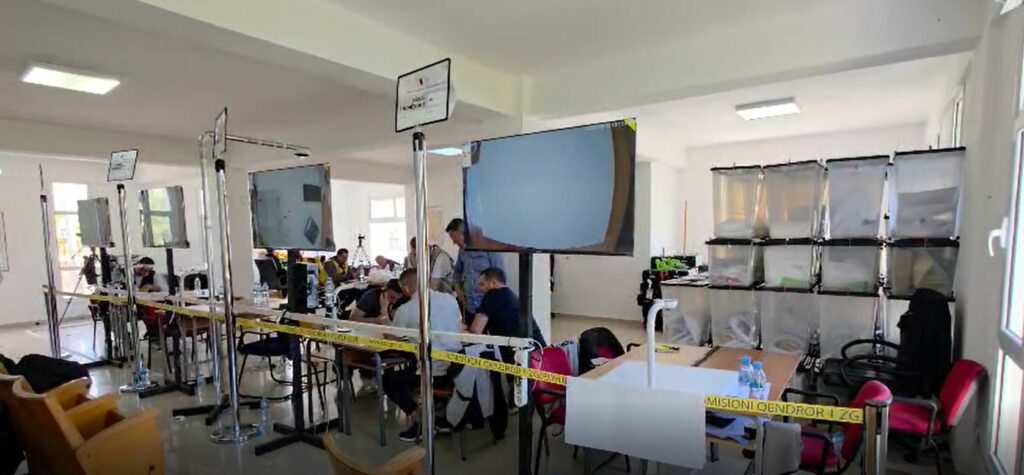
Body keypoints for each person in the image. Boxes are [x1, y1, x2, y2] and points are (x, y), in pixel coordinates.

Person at [383, 268, 463, 442]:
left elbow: (392, 338)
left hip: (431, 373)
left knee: (389, 381)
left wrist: (384, 313)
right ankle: (439, 417)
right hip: (458, 368)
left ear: (405, 287)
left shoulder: (406, 309)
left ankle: (420, 421)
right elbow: (459, 326)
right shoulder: (450, 299)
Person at [468, 267, 547, 363]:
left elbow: (476, 330)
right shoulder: (512, 296)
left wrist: (460, 331)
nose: (479, 289)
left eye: (482, 284)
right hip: (540, 355)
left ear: (493, 283)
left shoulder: (492, 295)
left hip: (521, 359)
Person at [446, 218, 505, 319]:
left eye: (454, 239)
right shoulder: (462, 251)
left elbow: (500, 277)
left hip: (487, 308)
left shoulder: (489, 246)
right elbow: (457, 271)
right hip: (469, 307)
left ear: (463, 233)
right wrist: (458, 289)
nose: (454, 243)